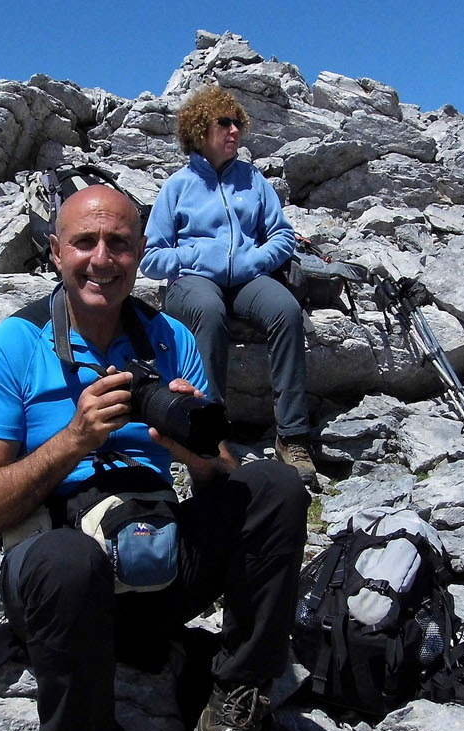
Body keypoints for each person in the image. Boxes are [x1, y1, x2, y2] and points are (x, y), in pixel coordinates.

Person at [0, 185, 306, 731]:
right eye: (84, 242)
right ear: (56, 253)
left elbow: (223, 476)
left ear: (141, 253)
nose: (102, 258)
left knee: (273, 486)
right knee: (65, 561)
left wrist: (192, 449)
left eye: (118, 242)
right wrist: (72, 440)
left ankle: (233, 704)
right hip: (61, 578)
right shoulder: (16, 343)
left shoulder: (169, 337)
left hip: (153, 558)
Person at [141, 85, 318, 486]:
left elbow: (283, 236)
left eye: (238, 123)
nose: (235, 130)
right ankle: (210, 437)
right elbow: (151, 258)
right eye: (225, 123)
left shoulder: (253, 179)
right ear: (200, 129)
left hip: (248, 278)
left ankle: (292, 436)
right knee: (208, 311)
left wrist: (254, 261)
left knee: (286, 310)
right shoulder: (178, 185)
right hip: (193, 282)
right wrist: (195, 258)